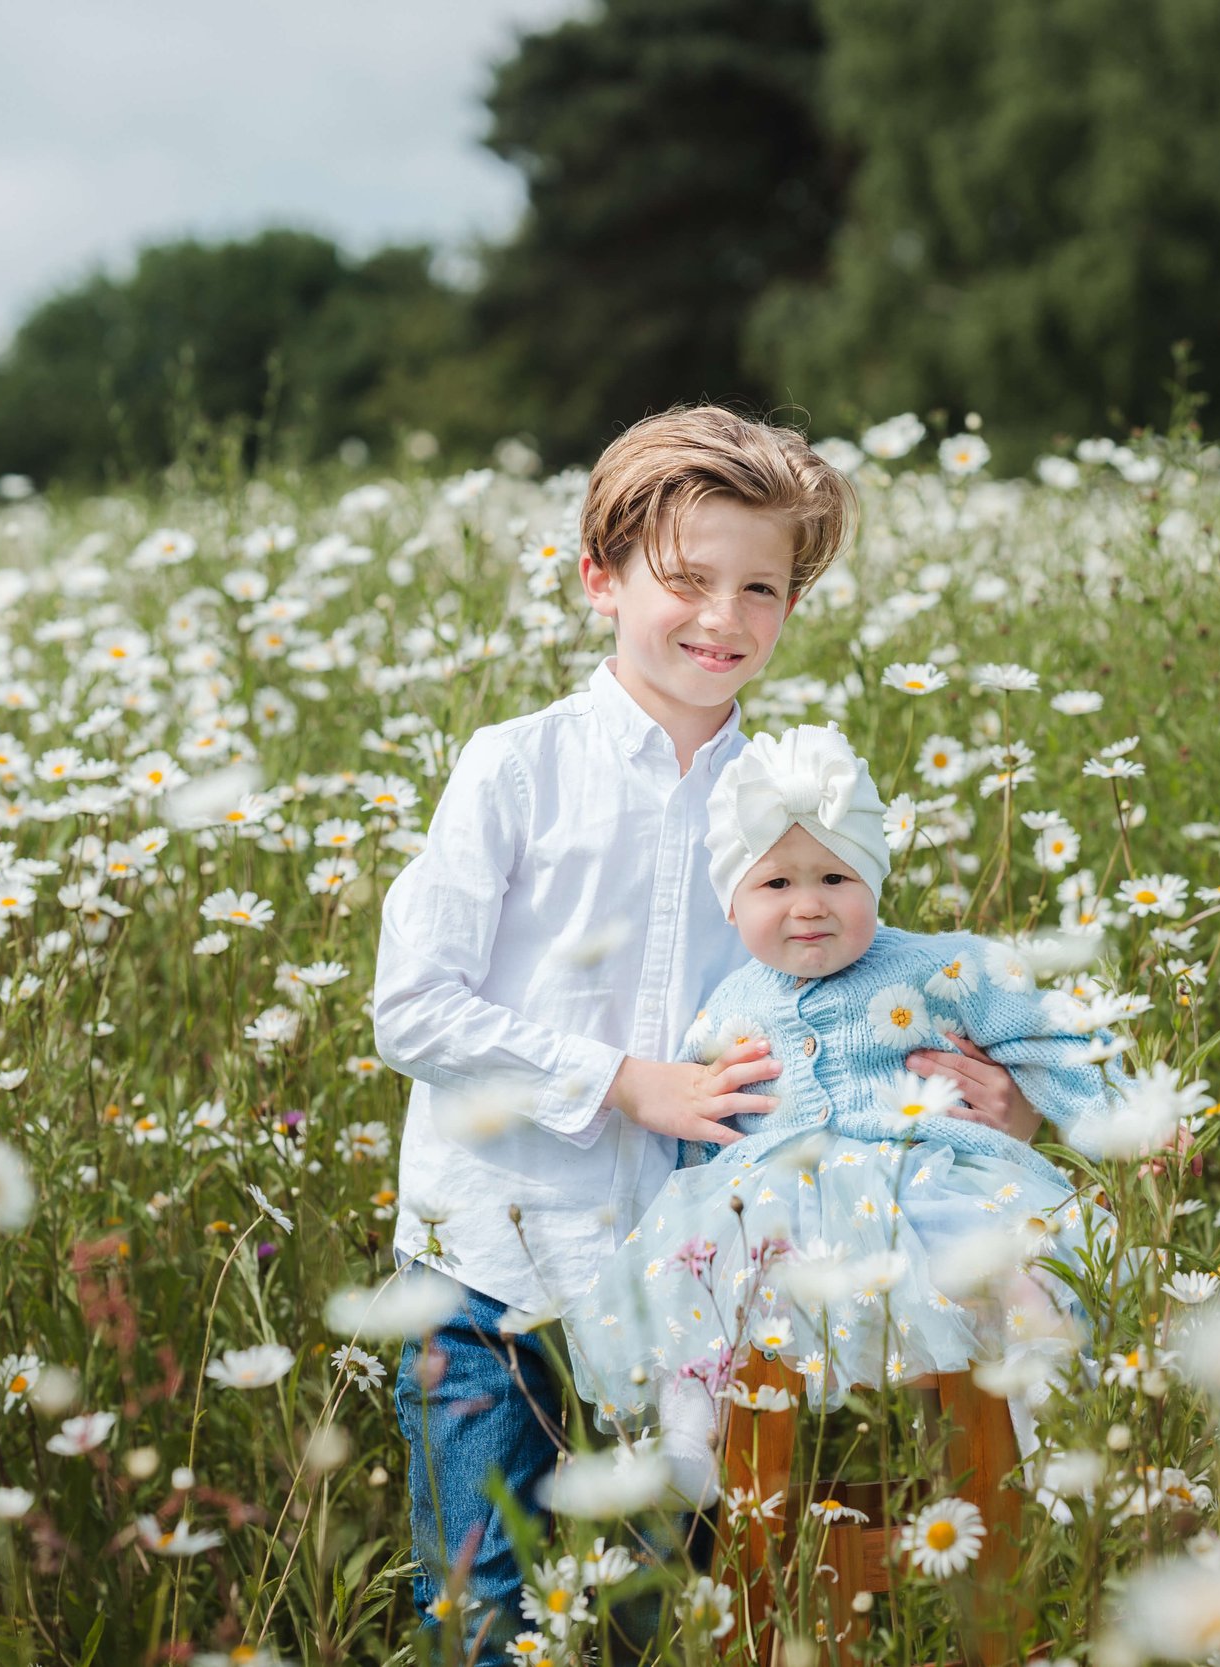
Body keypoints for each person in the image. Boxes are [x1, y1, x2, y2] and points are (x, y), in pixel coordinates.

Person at [369, 408, 1042, 1646]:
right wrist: (627, 1081)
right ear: (600, 577)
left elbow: (852, 998)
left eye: (761, 588)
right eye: (685, 581)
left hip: (693, 1296)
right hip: (486, 1269)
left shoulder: (792, 803)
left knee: (653, 1615)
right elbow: (412, 1006)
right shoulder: (514, 770)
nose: (722, 620)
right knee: (482, 1613)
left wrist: (986, 1091)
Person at [562, 724, 1123, 1506]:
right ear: (731, 904)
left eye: (834, 876)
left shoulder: (933, 963)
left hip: (928, 1182)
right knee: (696, 1272)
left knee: (1014, 1263)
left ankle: (1055, 1425)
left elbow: (1046, 1027)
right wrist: (695, 1185)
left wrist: (1121, 1115)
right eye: (775, 885)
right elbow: (708, 1123)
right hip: (779, 1203)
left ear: (874, 880)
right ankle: (690, 1431)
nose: (809, 906)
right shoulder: (728, 1004)